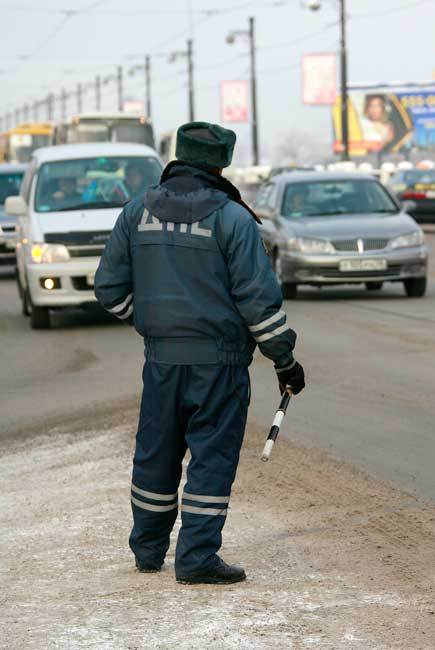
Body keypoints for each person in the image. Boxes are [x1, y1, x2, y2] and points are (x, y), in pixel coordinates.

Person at [95, 121, 305, 585]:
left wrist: (155, 324)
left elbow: (108, 290)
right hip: (220, 364)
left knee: (156, 453)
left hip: (161, 361)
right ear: (220, 163)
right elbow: (258, 301)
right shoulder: (231, 218)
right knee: (210, 455)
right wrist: (284, 361)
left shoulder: (135, 212)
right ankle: (196, 558)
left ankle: (148, 551)